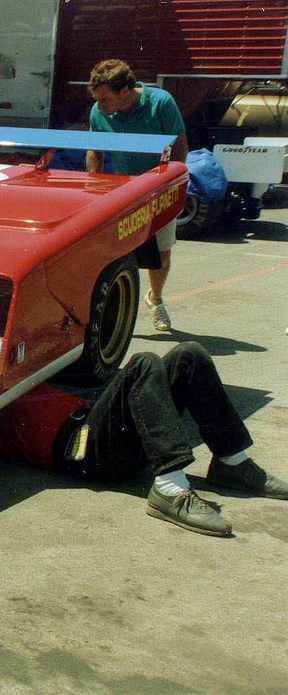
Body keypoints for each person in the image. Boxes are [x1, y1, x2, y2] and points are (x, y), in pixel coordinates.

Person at [55, 342, 288, 537]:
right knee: (144, 363)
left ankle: (232, 463)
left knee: (189, 354)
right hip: (78, 446)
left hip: (102, 420)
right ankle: (170, 488)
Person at [85, 59, 188, 332]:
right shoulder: (99, 112)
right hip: (125, 190)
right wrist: (94, 187)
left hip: (160, 187)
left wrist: (172, 185)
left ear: (126, 91)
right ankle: (114, 308)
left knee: (161, 252)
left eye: (105, 99)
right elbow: (95, 150)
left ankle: (156, 300)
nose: (100, 106)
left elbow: (180, 146)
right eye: (97, 99)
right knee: (114, 252)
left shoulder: (161, 103)